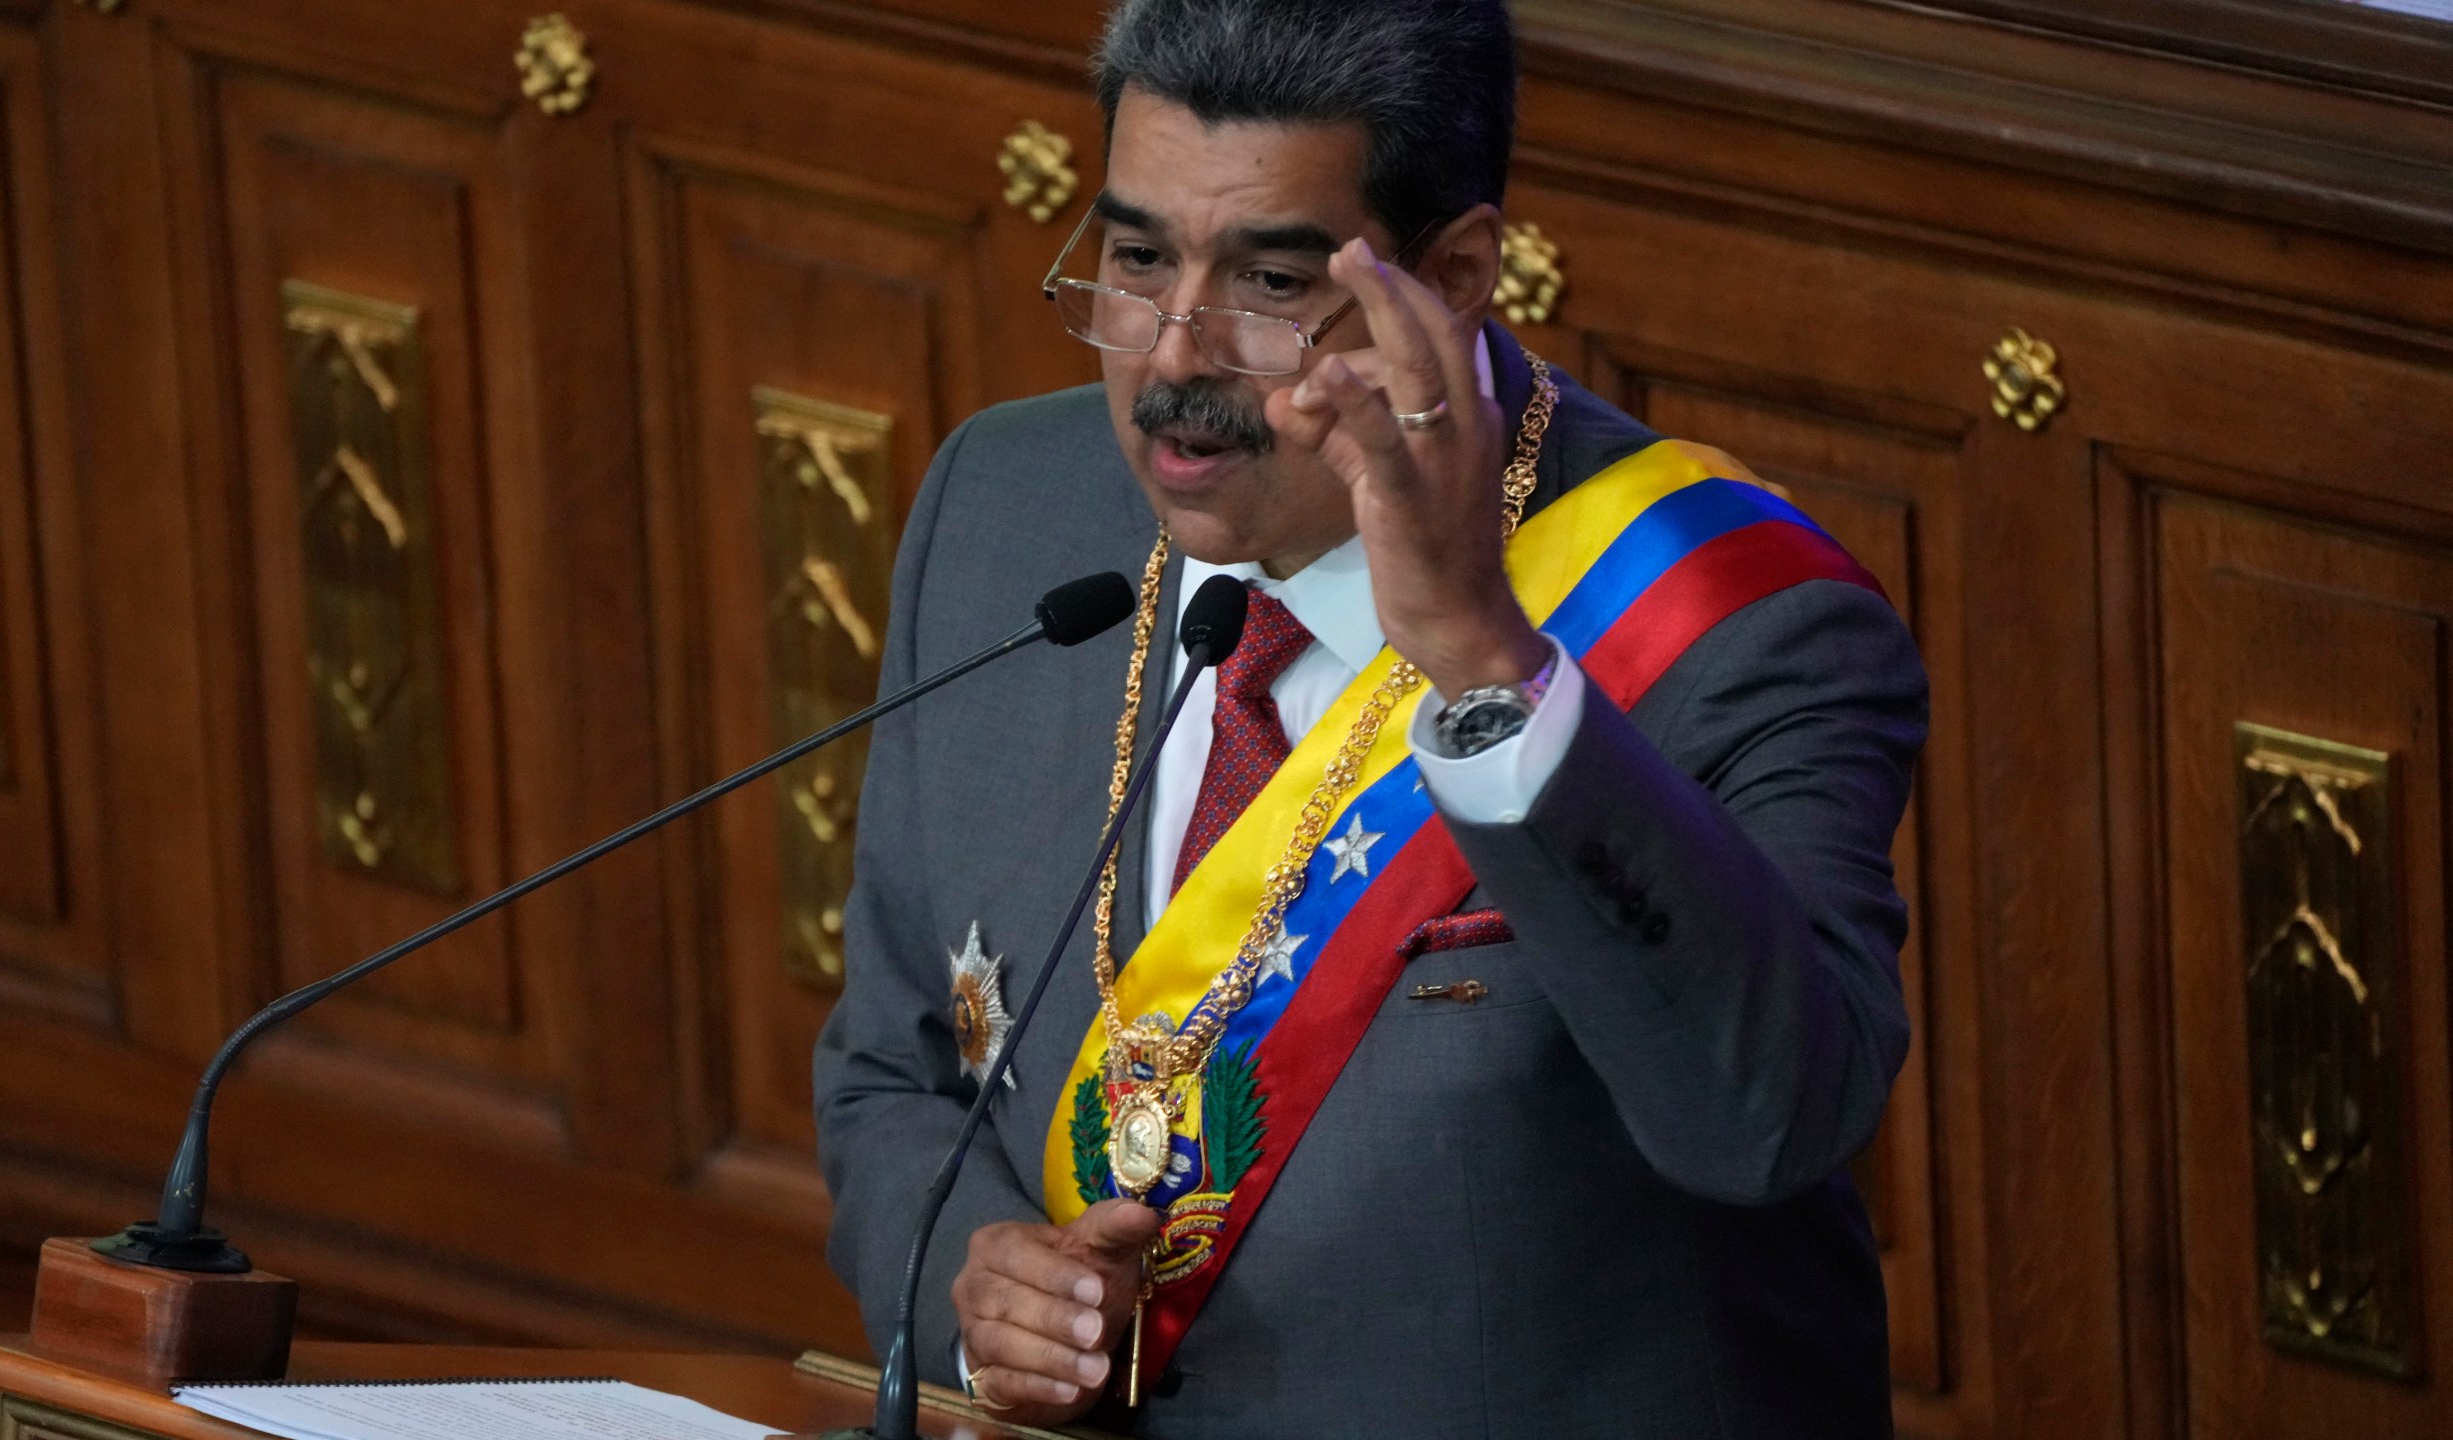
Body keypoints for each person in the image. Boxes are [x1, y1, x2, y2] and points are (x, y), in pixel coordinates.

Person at [813, 1, 1925, 1434]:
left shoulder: (1736, 624)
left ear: (1455, 273)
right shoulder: (1004, 512)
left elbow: (1770, 1115)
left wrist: (1482, 663)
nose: (1168, 361)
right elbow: (892, 1072)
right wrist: (980, 1297)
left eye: (1270, 283)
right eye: (1137, 258)